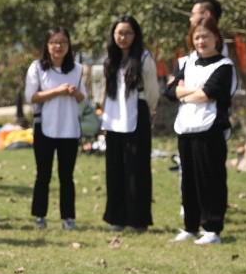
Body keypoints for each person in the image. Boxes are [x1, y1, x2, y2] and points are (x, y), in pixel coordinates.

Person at [164, 17, 236, 245]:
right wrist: (191, 91)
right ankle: (190, 226)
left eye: (206, 36)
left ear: (216, 38)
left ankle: (212, 228)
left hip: (210, 128)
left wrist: (185, 92)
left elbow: (210, 93)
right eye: (197, 37)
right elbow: (169, 91)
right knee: (189, 179)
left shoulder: (224, 66)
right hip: (186, 128)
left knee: (210, 178)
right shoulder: (187, 62)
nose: (201, 41)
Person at [101, 16, 159, 231]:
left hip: (137, 115)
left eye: (127, 33)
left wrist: (150, 110)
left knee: (137, 169)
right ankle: (117, 218)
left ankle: (138, 219)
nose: (123, 37)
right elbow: (105, 91)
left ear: (135, 35)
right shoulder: (110, 59)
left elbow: (153, 91)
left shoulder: (144, 58)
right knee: (114, 169)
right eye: (119, 33)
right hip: (113, 119)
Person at [25, 28, 85, 230]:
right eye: (54, 42)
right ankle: (39, 216)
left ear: (69, 45)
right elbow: (31, 96)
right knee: (43, 174)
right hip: (45, 127)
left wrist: (74, 92)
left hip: (69, 128)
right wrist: (57, 91)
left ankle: (68, 217)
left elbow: (82, 97)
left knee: (66, 176)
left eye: (63, 42)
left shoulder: (77, 69)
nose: (58, 46)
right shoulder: (37, 68)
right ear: (47, 45)